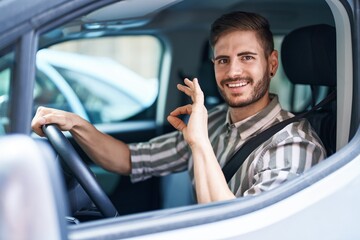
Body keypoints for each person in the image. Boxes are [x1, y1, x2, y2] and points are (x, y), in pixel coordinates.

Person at [32, 11, 326, 204]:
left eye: (247, 57)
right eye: (223, 60)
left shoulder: (294, 145)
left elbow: (235, 229)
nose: (233, 71)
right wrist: (75, 123)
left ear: (271, 64)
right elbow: (128, 159)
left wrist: (198, 142)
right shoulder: (213, 122)